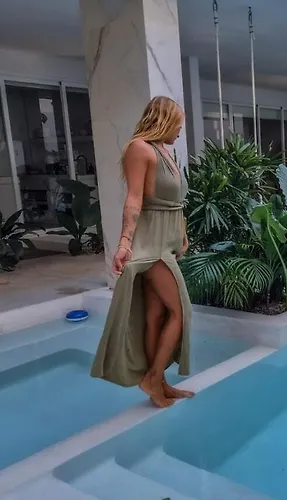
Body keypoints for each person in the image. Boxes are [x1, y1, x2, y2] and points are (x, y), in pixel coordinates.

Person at [91, 96, 194, 408]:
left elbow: (173, 202)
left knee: (156, 314)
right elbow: (135, 198)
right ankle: (152, 377)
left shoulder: (165, 151)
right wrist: (124, 242)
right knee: (180, 312)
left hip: (167, 243)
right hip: (151, 246)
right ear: (164, 120)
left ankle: (159, 384)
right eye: (178, 124)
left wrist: (182, 233)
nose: (180, 131)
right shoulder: (140, 149)